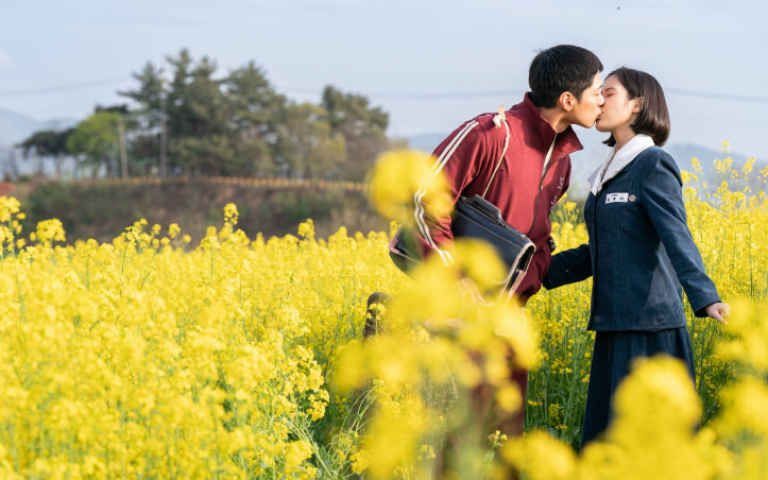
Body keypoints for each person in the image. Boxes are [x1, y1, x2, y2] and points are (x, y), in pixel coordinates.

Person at [406, 44, 604, 474]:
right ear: (568, 99)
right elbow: (423, 198)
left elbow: (538, 238)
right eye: (597, 90)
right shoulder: (492, 132)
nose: (602, 99)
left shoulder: (563, 161)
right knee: (459, 435)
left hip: (510, 319)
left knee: (504, 440)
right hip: (461, 315)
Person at [542, 67, 731, 450]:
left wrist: (706, 296)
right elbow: (605, 250)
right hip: (613, 329)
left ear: (636, 106)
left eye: (608, 93)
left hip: (651, 329)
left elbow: (676, 236)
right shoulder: (606, 173)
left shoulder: (652, 164)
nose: (598, 100)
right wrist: (538, 271)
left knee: (655, 449)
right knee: (608, 447)